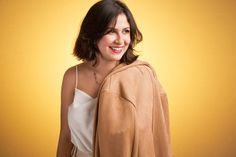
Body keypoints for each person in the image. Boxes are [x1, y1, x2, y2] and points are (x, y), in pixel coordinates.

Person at [57, 0, 171, 157]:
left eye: (125, 31)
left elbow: (152, 137)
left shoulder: (140, 77)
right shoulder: (72, 76)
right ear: (92, 33)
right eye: (111, 31)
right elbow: (65, 135)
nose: (120, 40)